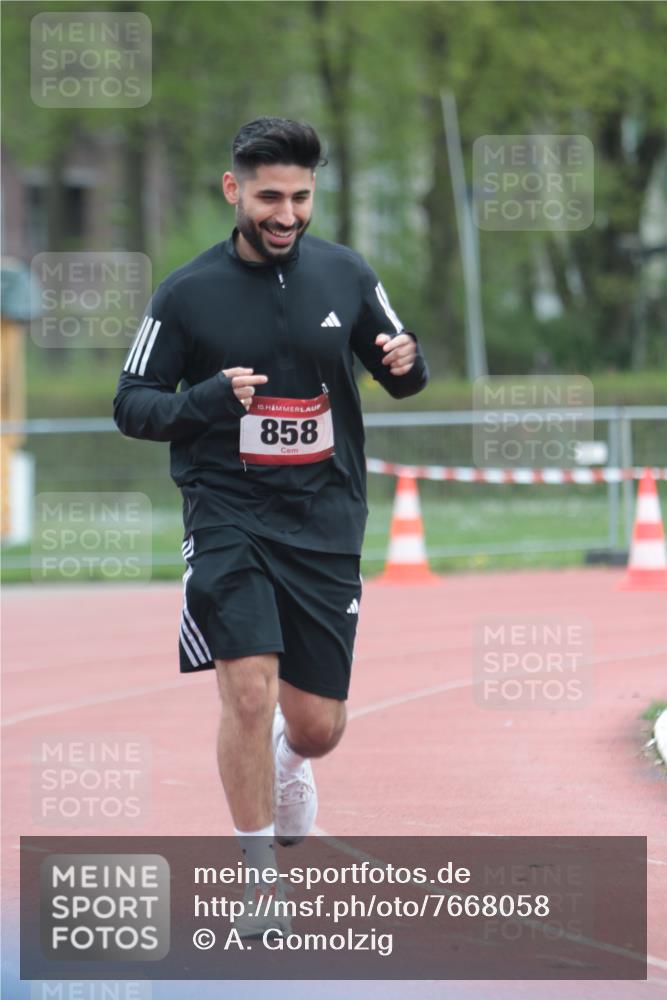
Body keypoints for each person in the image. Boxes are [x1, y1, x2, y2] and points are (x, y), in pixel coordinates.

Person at [113, 116, 428, 932]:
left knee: (317, 725)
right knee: (247, 691)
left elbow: (399, 369)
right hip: (228, 513)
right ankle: (259, 885)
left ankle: (294, 759)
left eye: (299, 197)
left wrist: (408, 361)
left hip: (324, 515)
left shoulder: (346, 273)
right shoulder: (186, 293)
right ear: (234, 191)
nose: (285, 214)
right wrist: (205, 402)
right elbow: (131, 404)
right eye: (267, 198)